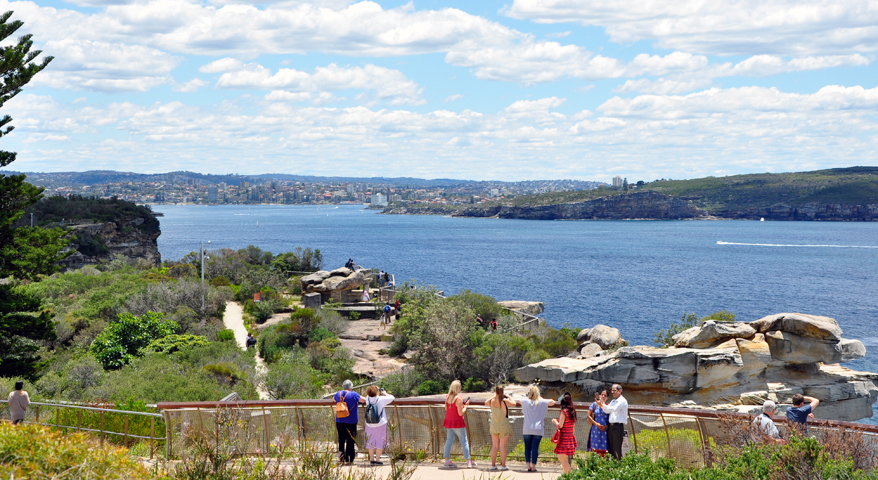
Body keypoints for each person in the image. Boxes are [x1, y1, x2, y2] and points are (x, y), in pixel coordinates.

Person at [520, 385, 555, 472]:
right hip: (538, 429)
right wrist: (541, 398)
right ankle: (533, 467)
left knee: (527, 448)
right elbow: (552, 402)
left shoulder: (525, 401)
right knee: (535, 448)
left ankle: (528, 466)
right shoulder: (542, 402)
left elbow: (520, 400)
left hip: (527, 428)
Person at [443, 380, 476, 469]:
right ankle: (468, 461)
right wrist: (466, 406)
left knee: (449, 441)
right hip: (457, 423)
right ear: (457, 388)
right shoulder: (459, 399)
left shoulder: (447, 397)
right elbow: (460, 413)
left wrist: (462, 405)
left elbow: (447, 409)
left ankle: (446, 460)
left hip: (449, 422)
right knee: (464, 441)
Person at [485, 385, 516, 471]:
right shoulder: (504, 401)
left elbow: (485, 402)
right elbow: (514, 403)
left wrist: (494, 396)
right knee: (503, 446)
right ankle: (503, 465)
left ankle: (493, 465)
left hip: (494, 425)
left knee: (495, 446)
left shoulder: (492, 401)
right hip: (503, 426)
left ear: (495, 392)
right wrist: (509, 396)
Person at [333, 379, 365, 464]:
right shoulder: (354, 394)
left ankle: (341, 458)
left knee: (341, 439)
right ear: (351, 387)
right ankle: (349, 459)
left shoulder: (338, 393)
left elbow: (333, 400)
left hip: (339, 420)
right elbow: (363, 400)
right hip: (351, 421)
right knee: (350, 439)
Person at [363, 386, 395, 465]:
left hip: (369, 423)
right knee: (380, 441)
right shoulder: (381, 399)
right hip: (380, 423)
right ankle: (377, 460)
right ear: (377, 392)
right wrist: (385, 393)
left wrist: (374, 389)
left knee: (370, 441)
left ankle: (371, 459)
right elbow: (392, 398)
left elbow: (369, 395)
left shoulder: (367, 399)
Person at [599, 383, 629, 460]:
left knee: (616, 448)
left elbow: (613, 409)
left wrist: (603, 404)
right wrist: (603, 405)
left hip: (617, 427)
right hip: (611, 426)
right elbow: (606, 410)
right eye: (612, 390)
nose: (612, 392)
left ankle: (619, 466)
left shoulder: (622, 401)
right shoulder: (613, 401)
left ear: (620, 391)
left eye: (614, 390)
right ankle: (613, 466)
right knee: (611, 448)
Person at [552, 392, 577, 473]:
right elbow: (573, 426)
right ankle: (566, 475)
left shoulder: (564, 412)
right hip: (570, 436)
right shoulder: (572, 411)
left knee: (562, 459)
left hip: (564, 438)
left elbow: (561, 425)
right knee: (564, 458)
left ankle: (569, 476)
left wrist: (555, 421)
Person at [587, 389, 609, 456]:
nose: (603, 396)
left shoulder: (608, 406)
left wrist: (606, 426)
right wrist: (596, 423)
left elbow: (610, 418)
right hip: (595, 429)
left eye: (605, 395)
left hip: (605, 430)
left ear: (607, 397)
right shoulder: (594, 404)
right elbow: (588, 415)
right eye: (602, 394)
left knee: (605, 447)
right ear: (599, 396)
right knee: (594, 447)